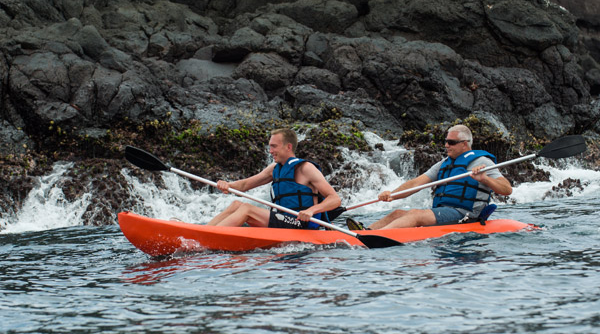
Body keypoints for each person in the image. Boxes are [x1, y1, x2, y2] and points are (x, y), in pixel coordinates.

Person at [347, 124, 512, 230]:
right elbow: (416, 183)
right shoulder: (444, 163)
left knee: (416, 215)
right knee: (397, 213)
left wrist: (485, 179)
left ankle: (373, 237)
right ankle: (365, 232)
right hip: (443, 211)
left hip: (464, 214)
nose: (446, 145)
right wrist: (392, 194)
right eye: (446, 141)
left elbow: (507, 189)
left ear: (465, 144)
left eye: (451, 142)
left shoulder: (482, 161)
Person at [207, 128, 341, 229]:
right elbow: (245, 185)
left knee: (248, 209)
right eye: (270, 146)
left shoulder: (306, 168)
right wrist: (228, 185)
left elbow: (335, 199)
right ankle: (202, 232)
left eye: (274, 146)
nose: (270, 151)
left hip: (301, 223)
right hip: (284, 220)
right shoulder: (275, 168)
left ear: (288, 147)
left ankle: (208, 237)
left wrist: (311, 210)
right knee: (237, 205)